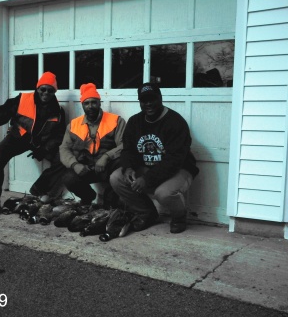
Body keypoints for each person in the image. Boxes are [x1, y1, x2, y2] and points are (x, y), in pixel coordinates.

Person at [110, 82, 199, 234]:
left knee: (163, 193)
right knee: (116, 178)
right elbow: (128, 150)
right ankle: (146, 213)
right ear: (140, 102)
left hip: (180, 169)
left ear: (160, 98)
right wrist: (128, 167)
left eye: (153, 99)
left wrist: (147, 179)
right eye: (144, 100)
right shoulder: (134, 121)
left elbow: (175, 160)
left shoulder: (175, 122)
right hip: (147, 167)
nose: (149, 104)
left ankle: (179, 217)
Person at [0, 72, 66, 216]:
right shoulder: (22, 99)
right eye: (43, 89)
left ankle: (38, 187)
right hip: (19, 137)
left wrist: (45, 149)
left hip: (41, 144)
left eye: (50, 90)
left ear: (54, 91)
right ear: (37, 88)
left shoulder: (59, 111)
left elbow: (59, 135)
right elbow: (2, 113)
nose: (46, 93)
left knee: (64, 159)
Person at [59, 83, 126, 206]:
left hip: (107, 166)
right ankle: (88, 197)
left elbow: (124, 145)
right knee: (68, 177)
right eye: (86, 103)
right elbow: (64, 148)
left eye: (94, 102)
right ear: (82, 105)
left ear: (99, 103)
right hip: (85, 168)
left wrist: (106, 156)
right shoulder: (73, 125)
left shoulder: (116, 121)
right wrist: (75, 165)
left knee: (122, 163)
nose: (90, 106)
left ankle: (109, 203)